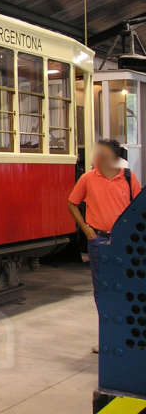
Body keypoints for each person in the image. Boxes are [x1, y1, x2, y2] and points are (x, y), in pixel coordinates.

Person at [68, 139, 140, 351]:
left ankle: (128, 336)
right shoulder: (88, 178)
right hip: (98, 240)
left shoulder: (129, 178)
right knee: (102, 289)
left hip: (125, 241)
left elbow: (138, 209)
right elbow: (72, 203)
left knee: (128, 286)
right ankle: (107, 337)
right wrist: (86, 228)